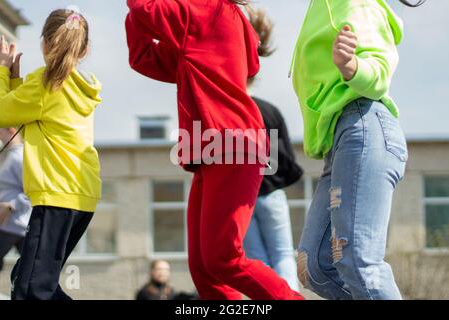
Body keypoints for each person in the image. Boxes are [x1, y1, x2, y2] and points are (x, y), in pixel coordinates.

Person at [126, 0, 304, 300]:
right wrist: (135, 16)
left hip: (233, 145)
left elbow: (145, 9)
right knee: (203, 268)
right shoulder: (212, 21)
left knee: (224, 259)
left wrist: (138, 13)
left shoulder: (207, 10)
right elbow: (144, 56)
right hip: (215, 151)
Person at [290, 0, 425, 300]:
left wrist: (351, 66)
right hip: (338, 142)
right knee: (314, 266)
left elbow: (379, 71)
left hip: (363, 125)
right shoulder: (322, 7)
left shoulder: (358, 4)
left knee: (359, 263)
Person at [0, 9, 103, 300]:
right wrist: (15, 82)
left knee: (33, 290)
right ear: (84, 49)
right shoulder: (79, 86)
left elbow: (2, 112)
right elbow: (27, 112)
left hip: (57, 197)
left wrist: (2, 71)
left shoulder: (44, 83)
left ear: (44, 43)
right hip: (81, 197)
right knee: (29, 281)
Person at [243, 8, 303, 292]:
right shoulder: (270, 111)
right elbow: (289, 161)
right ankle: (288, 296)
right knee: (283, 254)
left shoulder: (229, 112)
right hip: (271, 193)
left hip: (243, 199)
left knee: (256, 259)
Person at [0, 128, 32, 275]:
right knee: (31, 269)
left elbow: (32, 190)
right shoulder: (9, 156)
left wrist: (11, 205)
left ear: (12, 131)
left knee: (32, 269)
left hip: (14, 224)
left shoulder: (20, 157)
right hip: (8, 224)